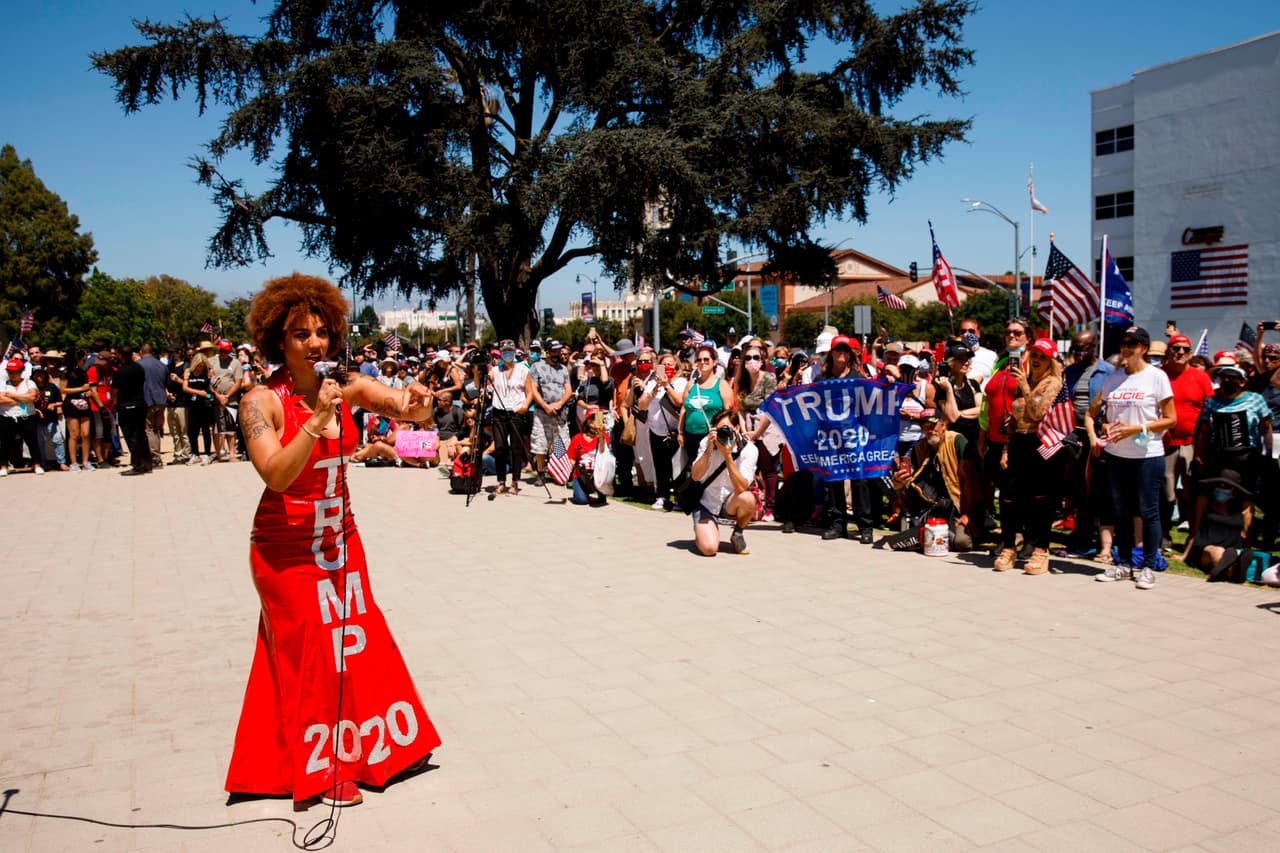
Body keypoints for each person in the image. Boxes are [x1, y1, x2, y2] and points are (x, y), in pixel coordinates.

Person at [226, 273, 440, 809]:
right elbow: (275, 474)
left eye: (322, 332)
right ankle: (321, 772)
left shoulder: (344, 386)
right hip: (284, 546)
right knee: (307, 654)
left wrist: (419, 403)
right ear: (279, 339)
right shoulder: (259, 402)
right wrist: (315, 420)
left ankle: (372, 751)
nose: (315, 343)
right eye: (301, 334)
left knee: (354, 643)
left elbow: (404, 408)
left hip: (340, 538)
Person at [1087, 326, 1177, 590]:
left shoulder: (1156, 377)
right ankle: (1124, 563)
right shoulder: (1114, 378)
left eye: (1133, 344)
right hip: (1117, 456)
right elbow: (1095, 413)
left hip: (1147, 455)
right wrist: (1101, 429)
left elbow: (1171, 419)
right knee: (1121, 511)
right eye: (1124, 343)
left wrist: (1136, 429)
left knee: (1148, 512)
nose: (1126, 348)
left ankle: (1148, 565)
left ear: (1144, 348)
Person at [993, 337, 1065, 575]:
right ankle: (1010, 547)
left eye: (1042, 356)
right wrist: (1005, 449)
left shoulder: (1052, 383)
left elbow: (1037, 412)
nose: (1036, 360)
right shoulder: (1025, 380)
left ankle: (1041, 549)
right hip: (1019, 443)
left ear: (1050, 361)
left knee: (1040, 500)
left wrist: (1024, 385)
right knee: (1008, 497)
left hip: (1041, 443)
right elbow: (1014, 420)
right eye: (1034, 355)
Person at [889, 411, 977, 551]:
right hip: (934, 507)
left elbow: (970, 482)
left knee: (962, 543)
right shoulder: (919, 449)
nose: (930, 429)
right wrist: (899, 484)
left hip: (959, 506)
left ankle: (931, 535)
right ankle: (933, 534)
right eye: (926, 426)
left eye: (934, 425)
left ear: (944, 425)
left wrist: (967, 514)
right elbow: (909, 480)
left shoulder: (957, 441)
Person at [1161, 333, 1214, 546]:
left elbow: (1209, 412)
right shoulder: (1159, 375)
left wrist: (1203, 448)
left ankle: (1194, 538)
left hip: (1193, 443)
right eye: (1175, 348)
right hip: (1165, 443)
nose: (1180, 352)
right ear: (1168, 352)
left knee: (1192, 493)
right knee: (1166, 492)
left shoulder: (1201, 377)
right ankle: (1163, 535)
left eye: (1184, 349)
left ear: (1191, 354)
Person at [689, 410, 758, 556]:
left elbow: (742, 487)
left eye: (727, 429)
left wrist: (727, 456)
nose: (723, 433)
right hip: (706, 503)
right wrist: (708, 449)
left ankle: (738, 533)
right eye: (720, 429)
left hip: (730, 502)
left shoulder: (749, 449)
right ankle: (702, 533)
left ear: (737, 428)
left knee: (748, 498)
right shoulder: (706, 442)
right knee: (709, 549)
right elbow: (695, 476)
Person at [1180, 469, 1254, 582]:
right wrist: (1184, 555)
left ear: (1235, 490)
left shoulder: (1244, 507)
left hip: (1232, 548)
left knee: (1230, 555)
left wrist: (1248, 551)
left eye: (1227, 486)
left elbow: (1245, 534)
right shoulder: (1204, 500)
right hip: (1205, 546)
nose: (1222, 488)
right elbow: (1195, 529)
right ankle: (1234, 575)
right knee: (1218, 552)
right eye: (1219, 485)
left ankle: (1230, 572)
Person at [637, 352, 687, 510]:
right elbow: (642, 405)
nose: (667, 367)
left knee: (678, 466)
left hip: (675, 431)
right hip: (656, 430)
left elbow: (680, 402)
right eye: (664, 364)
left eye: (670, 364)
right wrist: (655, 388)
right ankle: (662, 496)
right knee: (661, 466)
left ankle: (680, 497)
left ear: (676, 367)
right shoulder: (652, 384)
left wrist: (666, 386)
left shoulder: (681, 383)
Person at [736, 341, 780, 521]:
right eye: (748, 358)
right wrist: (746, 431)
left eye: (756, 357)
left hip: (767, 426)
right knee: (749, 468)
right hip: (748, 425)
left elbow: (770, 408)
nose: (752, 361)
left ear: (762, 360)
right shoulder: (742, 380)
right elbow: (740, 408)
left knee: (769, 469)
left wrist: (757, 433)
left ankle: (770, 508)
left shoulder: (768, 379)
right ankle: (755, 504)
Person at [487, 339, 533, 496]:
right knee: (500, 448)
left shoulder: (522, 369)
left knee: (515, 448)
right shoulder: (495, 370)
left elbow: (530, 391)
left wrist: (525, 406)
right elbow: (483, 384)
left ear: (514, 352)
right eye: (504, 351)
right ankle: (501, 481)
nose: (507, 354)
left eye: (510, 351)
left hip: (515, 412)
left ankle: (515, 481)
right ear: (500, 353)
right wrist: (476, 371)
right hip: (499, 412)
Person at [678, 341, 733, 465]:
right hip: (690, 436)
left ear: (715, 362)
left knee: (709, 471)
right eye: (699, 360)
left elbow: (729, 413)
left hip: (711, 437)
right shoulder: (691, 384)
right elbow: (683, 409)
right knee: (695, 472)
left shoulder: (722, 385)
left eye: (706, 359)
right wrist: (680, 432)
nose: (702, 362)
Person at [529, 339, 572, 486]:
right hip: (542, 411)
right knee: (540, 443)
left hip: (560, 412)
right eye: (554, 351)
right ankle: (540, 474)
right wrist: (545, 405)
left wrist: (559, 403)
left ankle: (558, 473)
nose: (557, 354)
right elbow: (533, 389)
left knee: (560, 442)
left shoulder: (563, 369)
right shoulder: (537, 367)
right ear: (547, 352)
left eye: (559, 351)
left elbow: (568, 390)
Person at [111, 345, 152, 475]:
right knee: (141, 435)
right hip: (140, 404)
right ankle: (147, 463)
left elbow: (114, 391)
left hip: (126, 405)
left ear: (121, 356)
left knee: (131, 436)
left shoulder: (120, 372)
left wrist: (115, 404)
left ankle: (137, 465)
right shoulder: (139, 368)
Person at [0, 357, 42, 475]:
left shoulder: (29, 382)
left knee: (32, 441)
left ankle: (37, 464)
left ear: (21, 371)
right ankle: (3, 466)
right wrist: (23, 399)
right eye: (10, 372)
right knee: (5, 443)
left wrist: (11, 395)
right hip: (7, 416)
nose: (12, 374)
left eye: (15, 371)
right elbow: (0, 399)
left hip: (27, 416)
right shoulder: (3, 384)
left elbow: (32, 397)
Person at [567, 406, 610, 505]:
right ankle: (581, 491)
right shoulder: (577, 438)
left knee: (601, 501)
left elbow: (603, 451)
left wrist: (601, 436)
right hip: (581, 475)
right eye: (596, 419)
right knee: (582, 501)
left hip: (597, 474)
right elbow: (571, 459)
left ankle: (601, 494)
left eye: (601, 420)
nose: (600, 422)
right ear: (588, 422)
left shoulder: (605, 437)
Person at [138, 343, 170, 469]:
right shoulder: (162, 365)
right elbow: (166, 383)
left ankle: (155, 458)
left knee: (149, 429)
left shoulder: (139, 365)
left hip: (147, 400)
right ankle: (156, 454)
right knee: (156, 429)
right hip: (161, 400)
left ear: (141, 352)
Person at [183, 351, 217, 465]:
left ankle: (207, 454)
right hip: (193, 404)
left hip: (205, 404)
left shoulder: (208, 372)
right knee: (192, 431)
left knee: (206, 430)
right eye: (199, 365)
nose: (200, 368)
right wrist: (198, 392)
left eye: (202, 366)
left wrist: (214, 383)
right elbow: (185, 388)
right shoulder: (189, 372)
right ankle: (195, 454)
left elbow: (212, 386)